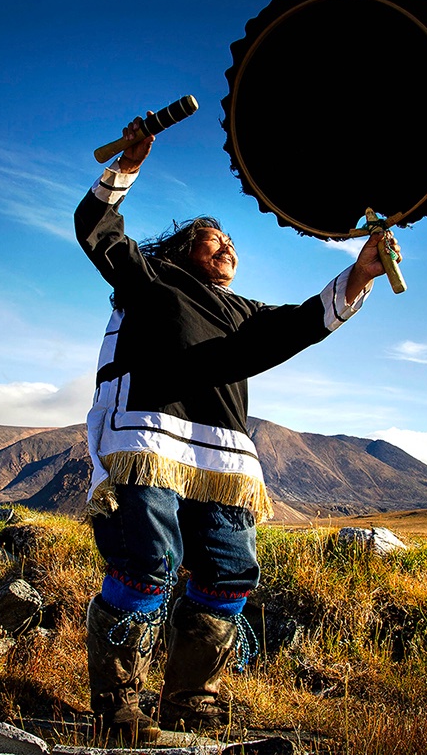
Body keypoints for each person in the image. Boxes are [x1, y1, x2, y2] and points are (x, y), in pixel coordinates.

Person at [75, 118, 398, 741]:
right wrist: (129, 165)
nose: (226, 247)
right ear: (179, 252)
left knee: (227, 572)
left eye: (230, 241)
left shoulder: (245, 314)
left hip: (223, 457)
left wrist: (361, 272)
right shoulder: (149, 278)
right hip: (148, 436)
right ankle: (119, 706)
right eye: (210, 239)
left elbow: (305, 320)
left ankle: (193, 698)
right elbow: (97, 229)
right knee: (147, 563)